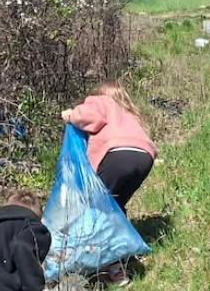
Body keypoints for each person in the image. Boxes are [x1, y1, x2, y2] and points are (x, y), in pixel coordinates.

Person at [61, 80, 157, 214]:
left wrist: (71, 115)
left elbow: (89, 116)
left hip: (118, 154)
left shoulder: (101, 101)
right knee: (116, 203)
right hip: (145, 158)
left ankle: (87, 233)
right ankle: (119, 231)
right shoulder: (130, 114)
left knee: (93, 202)